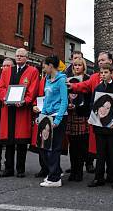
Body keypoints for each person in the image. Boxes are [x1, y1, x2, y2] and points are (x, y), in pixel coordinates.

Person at [69, 52, 113, 185]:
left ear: (110, 61)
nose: (100, 62)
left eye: (103, 60)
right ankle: (105, 176)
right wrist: (72, 86)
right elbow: (84, 86)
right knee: (104, 152)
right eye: (98, 60)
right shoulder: (95, 78)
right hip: (101, 123)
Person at [0, 48, 39, 178]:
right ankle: (8, 169)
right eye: (17, 56)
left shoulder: (32, 71)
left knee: (21, 142)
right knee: (9, 142)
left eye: (21, 56)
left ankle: (20, 169)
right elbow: (1, 88)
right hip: (8, 109)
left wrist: (25, 101)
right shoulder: (7, 71)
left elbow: (33, 89)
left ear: (26, 57)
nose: (18, 58)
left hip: (22, 111)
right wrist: (4, 99)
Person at [88, 63, 113, 189]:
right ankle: (99, 178)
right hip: (99, 127)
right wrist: (92, 117)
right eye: (101, 73)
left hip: (112, 127)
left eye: (106, 72)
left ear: (111, 73)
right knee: (100, 154)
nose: (103, 75)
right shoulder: (97, 88)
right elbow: (93, 104)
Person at [35, 55, 68, 187]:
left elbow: (64, 101)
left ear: (50, 66)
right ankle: (55, 172)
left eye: (44, 66)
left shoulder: (61, 80)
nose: (43, 68)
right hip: (47, 116)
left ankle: (55, 179)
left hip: (58, 116)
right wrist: (41, 117)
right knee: (44, 146)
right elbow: (47, 100)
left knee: (54, 147)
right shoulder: (47, 80)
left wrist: (58, 119)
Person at [66, 57, 91, 182]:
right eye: (75, 65)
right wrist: (67, 104)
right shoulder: (67, 79)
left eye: (79, 65)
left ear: (83, 66)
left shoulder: (88, 79)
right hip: (71, 114)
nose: (77, 67)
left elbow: (89, 97)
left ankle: (79, 171)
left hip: (82, 114)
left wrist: (80, 105)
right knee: (72, 144)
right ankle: (73, 170)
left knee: (81, 145)